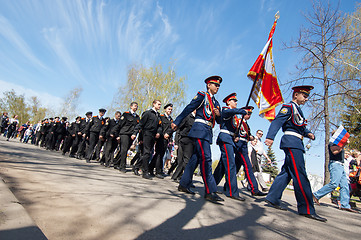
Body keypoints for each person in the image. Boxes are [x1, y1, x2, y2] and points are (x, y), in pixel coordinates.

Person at [264, 85, 327, 222]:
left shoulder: (298, 111)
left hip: (296, 142)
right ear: (296, 95)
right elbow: (277, 122)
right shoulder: (288, 107)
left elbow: (299, 126)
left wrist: (308, 133)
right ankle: (306, 209)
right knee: (300, 174)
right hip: (291, 142)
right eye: (304, 96)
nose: (305, 99)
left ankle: (273, 198)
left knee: (287, 172)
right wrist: (270, 137)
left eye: (307, 96)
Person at [172, 75, 223, 203]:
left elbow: (219, 121)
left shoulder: (216, 103)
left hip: (207, 132)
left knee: (194, 159)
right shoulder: (202, 96)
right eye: (215, 84)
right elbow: (189, 108)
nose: (217, 87)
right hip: (199, 130)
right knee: (206, 158)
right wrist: (177, 121)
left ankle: (183, 184)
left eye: (218, 85)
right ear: (208, 85)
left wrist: (219, 115)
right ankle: (210, 191)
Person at [313, 137, 359, 213]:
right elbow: (334, 151)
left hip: (341, 165)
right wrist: (344, 144)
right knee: (334, 184)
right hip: (335, 164)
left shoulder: (339, 144)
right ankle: (316, 195)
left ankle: (345, 205)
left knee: (345, 186)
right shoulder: (332, 143)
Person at [132, 100, 162, 180]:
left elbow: (159, 126)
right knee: (146, 152)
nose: (159, 106)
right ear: (154, 104)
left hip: (153, 136)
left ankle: (136, 166)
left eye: (160, 105)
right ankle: (145, 172)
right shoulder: (148, 113)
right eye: (158, 104)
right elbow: (141, 124)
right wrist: (135, 134)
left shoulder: (158, 115)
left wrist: (158, 132)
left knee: (148, 153)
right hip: (147, 134)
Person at [112, 102, 140, 172]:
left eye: (137, 106)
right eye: (134, 106)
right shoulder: (126, 114)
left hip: (131, 135)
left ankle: (116, 162)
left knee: (124, 150)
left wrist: (135, 134)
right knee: (124, 150)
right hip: (124, 134)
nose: (136, 107)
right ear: (131, 107)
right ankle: (122, 166)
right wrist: (117, 135)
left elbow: (137, 127)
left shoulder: (137, 117)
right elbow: (119, 125)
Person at [149, 103, 174, 178]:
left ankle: (151, 168)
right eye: (169, 109)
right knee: (159, 154)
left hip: (167, 139)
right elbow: (159, 127)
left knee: (161, 155)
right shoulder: (161, 117)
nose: (170, 111)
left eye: (171, 110)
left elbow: (172, 129)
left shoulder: (171, 119)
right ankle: (158, 171)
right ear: (165, 109)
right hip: (160, 138)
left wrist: (170, 138)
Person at [171, 110, 196, 182]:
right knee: (182, 160)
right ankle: (185, 179)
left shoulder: (197, 119)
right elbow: (178, 130)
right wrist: (176, 143)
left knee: (184, 161)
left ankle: (177, 177)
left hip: (191, 142)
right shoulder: (187, 117)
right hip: (183, 140)